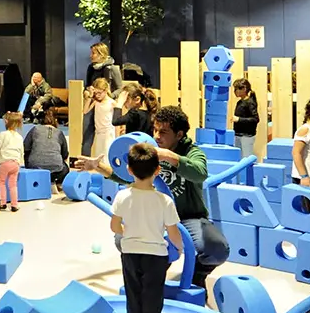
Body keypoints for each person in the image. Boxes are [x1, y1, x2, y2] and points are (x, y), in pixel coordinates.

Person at [75, 105, 229, 288]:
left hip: (188, 217)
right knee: (122, 240)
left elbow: (200, 173)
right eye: (155, 130)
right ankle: (156, 268)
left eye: (163, 132)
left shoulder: (192, 152)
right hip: (156, 216)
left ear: (179, 135)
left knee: (218, 249)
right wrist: (97, 167)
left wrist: (168, 156)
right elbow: (128, 176)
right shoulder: (151, 149)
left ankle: (197, 276)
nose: (157, 136)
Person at [111, 143, 183, 313]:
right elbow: (173, 232)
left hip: (130, 254)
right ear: (157, 170)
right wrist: (180, 248)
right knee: (153, 301)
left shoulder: (122, 196)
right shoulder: (165, 201)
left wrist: (128, 232)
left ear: (129, 170)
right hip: (156, 257)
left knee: (133, 299)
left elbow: (114, 226)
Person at [82, 43, 123, 156]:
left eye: (93, 53)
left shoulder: (112, 68)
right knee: (87, 134)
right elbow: (87, 85)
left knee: (107, 135)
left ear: (101, 54)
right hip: (93, 102)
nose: (91, 56)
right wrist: (87, 92)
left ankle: (109, 158)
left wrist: (109, 97)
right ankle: (85, 160)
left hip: (106, 106)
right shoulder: (91, 68)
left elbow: (120, 88)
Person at [24, 109, 70, 188]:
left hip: (34, 167)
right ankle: (55, 182)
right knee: (65, 168)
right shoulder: (59, 133)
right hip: (57, 170)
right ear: (56, 121)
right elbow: (65, 153)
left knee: (28, 154)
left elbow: (26, 147)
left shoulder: (35, 129)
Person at [0, 112, 25, 212]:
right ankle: (14, 205)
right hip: (16, 163)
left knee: (1, 182)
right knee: (13, 184)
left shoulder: (3, 134)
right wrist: (20, 163)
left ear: (6, 122)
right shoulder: (19, 137)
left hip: (5, 163)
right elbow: (22, 152)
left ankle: (3, 203)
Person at [86, 77, 116, 163]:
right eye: (96, 93)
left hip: (108, 133)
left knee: (107, 156)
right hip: (99, 133)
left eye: (99, 93)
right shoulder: (96, 101)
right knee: (99, 157)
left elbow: (118, 119)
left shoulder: (112, 103)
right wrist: (90, 96)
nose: (97, 95)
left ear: (105, 91)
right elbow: (85, 111)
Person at [232, 79, 260, 154]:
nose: (235, 91)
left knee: (246, 157)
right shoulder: (240, 102)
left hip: (246, 136)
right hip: (238, 134)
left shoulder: (250, 102)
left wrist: (239, 119)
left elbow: (255, 119)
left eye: (236, 89)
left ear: (244, 89)